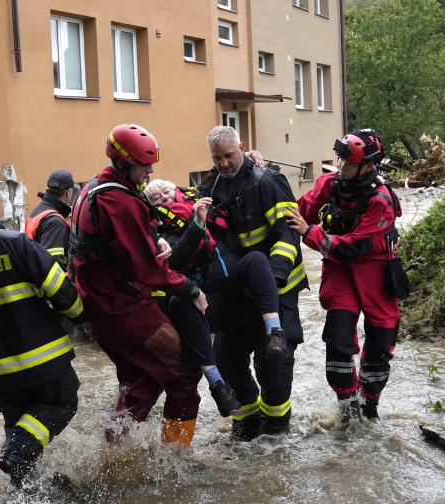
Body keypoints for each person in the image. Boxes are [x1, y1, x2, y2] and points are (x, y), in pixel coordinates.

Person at [69, 123, 214, 446]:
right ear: (122, 162)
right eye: (143, 164)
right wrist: (190, 289)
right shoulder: (118, 201)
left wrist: (155, 241)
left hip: (100, 303)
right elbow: (147, 270)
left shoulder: (95, 187)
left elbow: (117, 245)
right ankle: (175, 456)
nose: (149, 170)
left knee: (142, 378)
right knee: (183, 373)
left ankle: (115, 451)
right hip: (121, 306)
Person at [0, 187, 84, 487]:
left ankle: (25, 487)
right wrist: (79, 314)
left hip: (2, 370)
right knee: (63, 405)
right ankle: (18, 453)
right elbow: (59, 287)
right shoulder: (17, 243)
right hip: (45, 358)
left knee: (17, 425)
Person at [287, 129, 402, 422]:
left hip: (375, 272)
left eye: (348, 164)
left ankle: (370, 405)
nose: (341, 167)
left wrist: (310, 233)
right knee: (337, 342)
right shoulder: (332, 183)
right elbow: (302, 209)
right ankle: (348, 409)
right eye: (340, 161)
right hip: (340, 273)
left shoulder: (381, 201)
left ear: (368, 166)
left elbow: (354, 247)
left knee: (379, 348)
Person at [198, 126, 306, 439]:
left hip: (277, 289)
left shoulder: (268, 181)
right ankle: (246, 424)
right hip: (237, 294)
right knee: (227, 360)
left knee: (274, 363)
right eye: (217, 158)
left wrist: (271, 279)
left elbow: (287, 236)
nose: (223, 163)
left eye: (229, 156)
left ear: (242, 148)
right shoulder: (211, 187)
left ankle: (276, 432)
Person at [142, 179, 241, 416]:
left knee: (187, 378)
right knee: (177, 378)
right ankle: (216, 383)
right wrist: (197, 222)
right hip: (181, 304)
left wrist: (250, 159)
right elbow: (176, 259)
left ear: (177, 191)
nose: (164, 200)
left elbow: (218, 178)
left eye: (166, 193)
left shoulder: (199, 204)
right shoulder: (157, 232)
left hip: (217, 295)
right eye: (156, 199)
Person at [25, 170, 75, 268]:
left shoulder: (38, 212)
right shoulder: (55, 222)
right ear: (68, 193)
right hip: (52, 282)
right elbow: (52, 265)